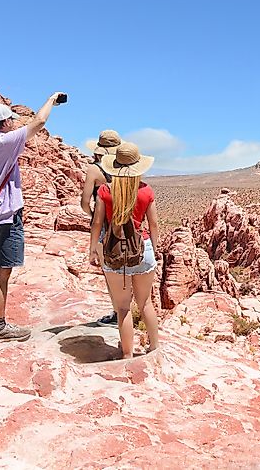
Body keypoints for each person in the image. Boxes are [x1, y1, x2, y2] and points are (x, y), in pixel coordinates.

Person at [0, 93, 64, 343]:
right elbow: (39, 123)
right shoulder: (4, 142)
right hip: (3, 217)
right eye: (11, 121)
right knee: (1, 273)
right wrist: (51, 100)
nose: (14, 124)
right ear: (4, 123)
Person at [89, 142, 160, 358]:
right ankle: (154, 348)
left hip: (114, 250)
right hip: (142, 248)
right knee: (145, 302)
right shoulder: (146, 191)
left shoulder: (105, 191)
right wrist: (155, 249)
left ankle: (127, 354)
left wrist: (93, 248)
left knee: (122, 308)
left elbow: (97, 223)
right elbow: (154, 224)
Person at [81, 130, 121, 326]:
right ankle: (130, 313)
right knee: (126, 271)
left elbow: (84, 202)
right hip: (128, 224)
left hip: (105, 226)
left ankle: (118, 314)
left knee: (109, 272)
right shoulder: (125, 168)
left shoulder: (95, 170)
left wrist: (94, 216)